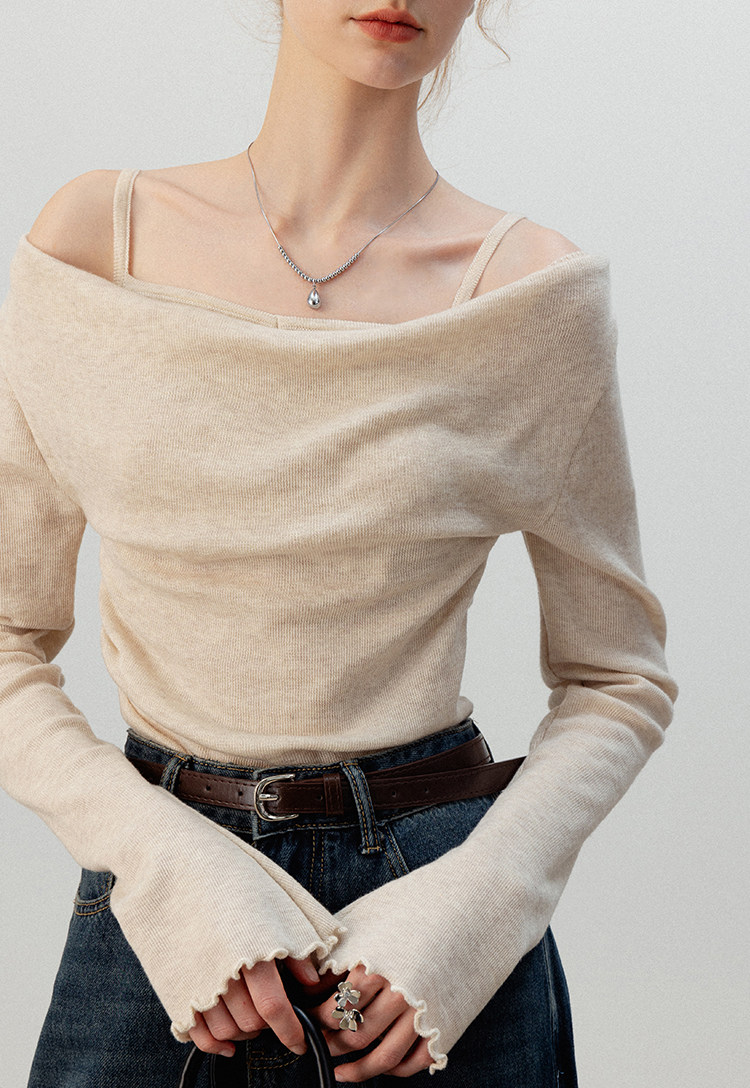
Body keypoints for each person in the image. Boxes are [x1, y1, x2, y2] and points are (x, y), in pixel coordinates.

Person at [0, 2, 677, 1085]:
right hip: (163, 910)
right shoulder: (96, 244)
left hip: (435, 941)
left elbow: (618, 676)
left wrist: (476, 908)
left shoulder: (532, 294)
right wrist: (165, 864)